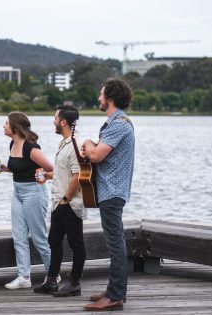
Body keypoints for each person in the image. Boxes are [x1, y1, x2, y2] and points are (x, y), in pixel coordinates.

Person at [82, 78, 135, 311]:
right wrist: (93, 146)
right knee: (115, 242)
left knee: (115, 244)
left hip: (112, 191)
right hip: (111, 191)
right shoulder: (117, 123)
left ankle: (115, 296)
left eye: (101, 94)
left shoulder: (119, 124)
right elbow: (100, 151)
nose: (98, 98)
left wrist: (87, 142)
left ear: (110, 98)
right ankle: (114, 289)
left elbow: (95, 156)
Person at [33, 104, 87, 297]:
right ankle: (52, 280)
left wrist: (66, 199)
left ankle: (74, 283)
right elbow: (65, 173)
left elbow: (78, 175)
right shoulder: (64, 144)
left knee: (76, 244)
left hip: (69, 204)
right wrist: (48, 176)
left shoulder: (73, 145)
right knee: (53, 240)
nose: (53, 121)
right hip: (58, 203)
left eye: (55, 118)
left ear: (63, 121)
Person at [0, 112, 54, 290]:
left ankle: (53, 274)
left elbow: (51, 168)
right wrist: (5, 168)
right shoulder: (12, 144)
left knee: (39, 238)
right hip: (18, 192)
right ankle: (24, 277)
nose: (3, 126)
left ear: (15, 127)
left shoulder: (32, 148)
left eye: (6, 123)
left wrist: (43, 176)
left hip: (34, 193)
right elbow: (21, 169)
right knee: (19, 236)